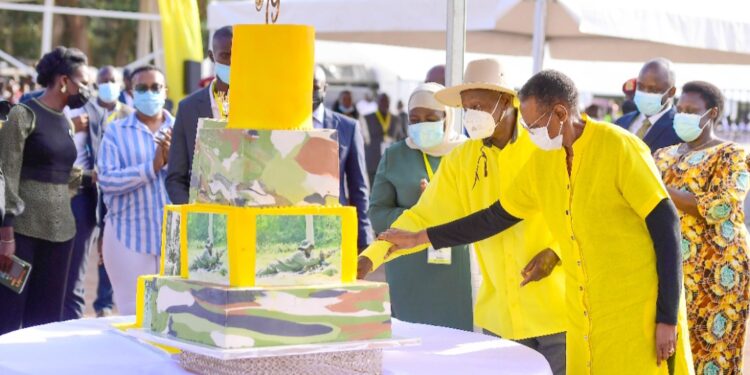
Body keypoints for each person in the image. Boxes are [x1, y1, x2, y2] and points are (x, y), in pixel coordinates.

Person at [377, 70, 695, 374]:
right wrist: (421, 238)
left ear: (559, 113)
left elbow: (666, 225)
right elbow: (495, 218)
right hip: (584, 314)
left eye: (533, 125)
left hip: (636, 311)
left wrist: (666, 316)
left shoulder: (619, 146)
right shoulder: (545, 160)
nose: (529, 134)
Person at [359, 59, 566, 374]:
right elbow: (422, 216)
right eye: (468, 107)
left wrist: (557, 252)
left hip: (557, 311)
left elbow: (579, 212)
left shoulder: (544, 149)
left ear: (507, 101)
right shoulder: (462, 161)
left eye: (480, 105)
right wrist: (371, 257)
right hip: (501, 319)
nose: (472, 115)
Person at [653, 81, 750, 374]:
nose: (683, 115)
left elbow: (723, 205)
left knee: (712, 353)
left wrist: (660, 189)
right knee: (669, 351)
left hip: (717, 272)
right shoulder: (663, 155)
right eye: (680, 109)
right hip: (671, 268)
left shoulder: (732, 154)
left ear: (712, 113)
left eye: (691, 111)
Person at [367, 82, 476, 331]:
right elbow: (378, 214)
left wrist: (442, 207)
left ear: (447, 117)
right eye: (414, 119)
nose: (421, 124)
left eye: (431, 117)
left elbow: (483, 206)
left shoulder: (468, 152)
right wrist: (420, 209)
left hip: (458, 266)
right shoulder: (395, 155)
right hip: (408, 268)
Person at [0, 46, 90, 334]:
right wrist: (6, 235)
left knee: (48, 316)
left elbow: (62, 172)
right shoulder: (23, 115)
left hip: (62, 231)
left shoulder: (65, 121)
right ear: (63, 80)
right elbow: (7, 173)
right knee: (10, 310)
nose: (86, 90)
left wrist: (91, 178)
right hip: (22, 233)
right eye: (83, 82)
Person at [97, 65, 174, 315]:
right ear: (131, 91)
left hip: (174, 237)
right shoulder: (116, 132)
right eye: (142, 88)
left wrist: (173, 161)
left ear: (165, 91)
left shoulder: (181, 129)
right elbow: (107, 180)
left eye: (155, 87)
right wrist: (151, 167)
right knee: (134, 313)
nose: (149, 93)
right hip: (128, 236)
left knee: (172, 313)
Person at [70, 65, 133, 318]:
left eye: (112, 80)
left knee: (108, 248)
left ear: (120, 84)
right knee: (85, 253)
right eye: (103, 81)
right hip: (89, 189)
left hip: (116, 191)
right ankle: (86, 302)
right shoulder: (89, 111)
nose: (108, 85)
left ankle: (105, 304)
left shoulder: (129, 115)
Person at [166, 25, 233, 204]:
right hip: (202, 218)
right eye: (226, 56)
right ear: (212, 57)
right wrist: (194, 218)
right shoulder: (188, 109)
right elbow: (175, 178)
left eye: (239, 56)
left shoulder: (257, 106)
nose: (233, 63)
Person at [313, 66, 373, 250]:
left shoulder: (348, 127)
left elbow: (358, 185)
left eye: (315, 87)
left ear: (325, 88)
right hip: (291, 225)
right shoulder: (284, 126)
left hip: (334, 227)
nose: (309, 93)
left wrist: (364, 237)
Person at [615, 58, 681, 152]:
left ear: (671, 92)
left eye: (653, 89)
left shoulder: (679, 130)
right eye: (640, 87)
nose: (645, 93)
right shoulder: (621, 122)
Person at [363, 93, 404, 184]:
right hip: (373, 162)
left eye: (387, 101)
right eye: (382, 101)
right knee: (373, 189)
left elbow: (400, 138)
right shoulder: (367, 118)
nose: (384, 103)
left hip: (391, 161)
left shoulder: (396, 119)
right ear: (377, 102)